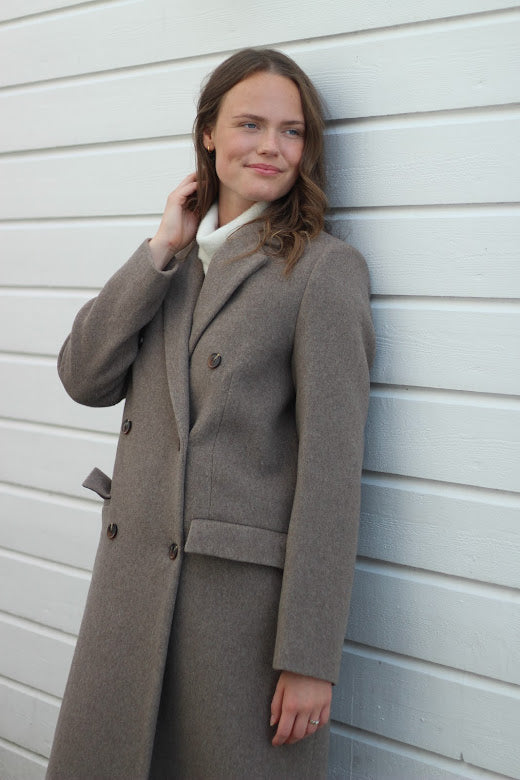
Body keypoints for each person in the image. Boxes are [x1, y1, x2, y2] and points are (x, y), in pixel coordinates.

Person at [46, 48, 375, 779]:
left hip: (236, 620)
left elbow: (331, 476)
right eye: (250, 124)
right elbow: (84, 377)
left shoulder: (322, 269)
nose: (270, 146)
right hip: (131, 597)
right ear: (208, 133)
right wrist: (161, 246)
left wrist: (309, 657)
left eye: (291, 131)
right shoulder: (174, 262)